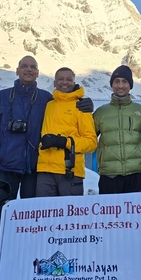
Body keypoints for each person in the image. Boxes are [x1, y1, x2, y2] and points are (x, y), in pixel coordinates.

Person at [0, 55, 93, 200]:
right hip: (4, 167)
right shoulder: (1, 97)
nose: (29, 69)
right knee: (3, 210)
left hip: (33, 168)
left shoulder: (46, 99)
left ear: (38, 73)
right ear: (17, 71)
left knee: (32, 214)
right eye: (24, 66)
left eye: (33, 67)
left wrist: (85, 102)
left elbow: (65, 101)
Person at [93, 65, 141, 194]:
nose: (120, 85)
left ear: (130, 85)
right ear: (112, 85)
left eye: (124, 81)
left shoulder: (140, 111)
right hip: (109, 175)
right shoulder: (101, 112)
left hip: (136, 174)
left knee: (137, 212)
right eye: (117, 81)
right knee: (110, 212)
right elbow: (88, 138)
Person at [36, 67, 97, 196]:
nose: (65, 82)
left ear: (74, 83)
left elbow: (91, 143)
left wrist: (64, 142)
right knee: (45, 213)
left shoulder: (80, 106)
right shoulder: (49, 105)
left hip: (70, 172)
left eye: (69, 79)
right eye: (60, 79)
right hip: (44, 171)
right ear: (54, 83)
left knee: (70, 214)